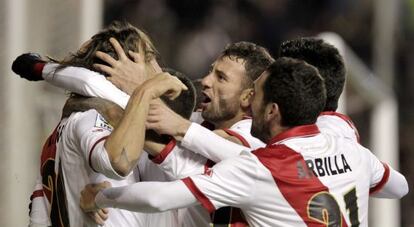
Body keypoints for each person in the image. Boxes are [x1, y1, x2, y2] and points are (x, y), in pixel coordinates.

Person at [80, 57, 408, 226]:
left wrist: (103, 196)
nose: (250, 103)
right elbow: (399, 187)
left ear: (272, 111)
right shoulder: (354, 152)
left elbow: (160, 198)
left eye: (257, 97)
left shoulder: (261, 168)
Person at [13, 40, 274, 226]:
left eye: (221, 78)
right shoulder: (199, 120)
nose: (206, 80)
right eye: (210, 71)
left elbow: (161, 140)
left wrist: (141, 89)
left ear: (247, 97)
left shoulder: (253, 140)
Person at [13, 21, 195, 227]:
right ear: (125, 65)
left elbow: (38, 218)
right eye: (151, 57)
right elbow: (117, 161)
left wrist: (106, 197)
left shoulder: (64, 130)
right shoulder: (90, 119)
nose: (159, 69)